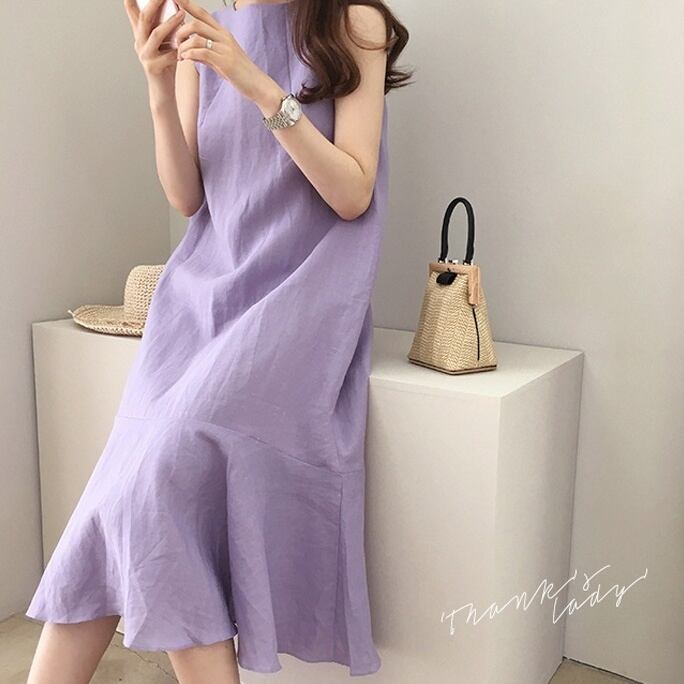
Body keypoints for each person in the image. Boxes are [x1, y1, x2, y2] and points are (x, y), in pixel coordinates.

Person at [25, 0, 412, 681]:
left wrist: (255, 81)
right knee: (114, 502)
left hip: (300, 298)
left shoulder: (353, 22)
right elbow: (187, 197)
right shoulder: (200, 21)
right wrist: (157, 80)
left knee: (154, 486)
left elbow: (353, 193)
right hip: (200, 296)